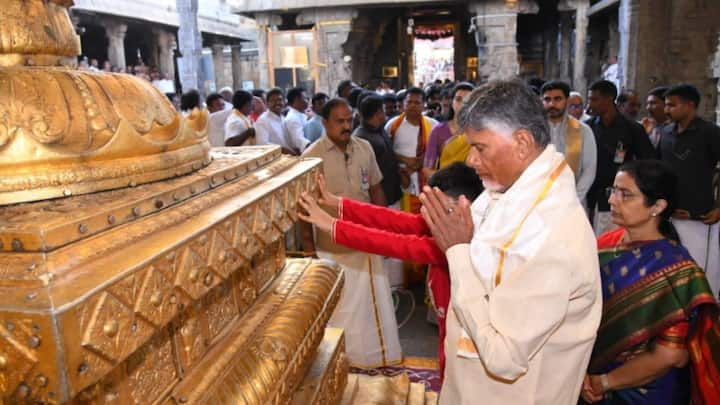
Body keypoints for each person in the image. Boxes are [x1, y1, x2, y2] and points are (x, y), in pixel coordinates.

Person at [419, 80, 602, 404]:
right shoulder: (502, 192)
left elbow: (504, 358)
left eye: (480, 147)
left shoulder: (554, 233)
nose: (471, 161)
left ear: (521, 142)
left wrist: (458, 251)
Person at [298, 163, 483, 380]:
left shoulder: (457, 244)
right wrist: (336, 203)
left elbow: (392, 243)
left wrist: (330, 224)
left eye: (438, 210)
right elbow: (391, 220)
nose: (431, 218)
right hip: (448, 341)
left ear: (464, 207)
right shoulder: (446, 223)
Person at [581, 160, 720, 405]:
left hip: (644, 393)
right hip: (588, 379)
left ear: (657, 206)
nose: (612, 200)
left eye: (626, 194)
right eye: (612, 190)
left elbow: (671, 355)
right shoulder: (603, 244)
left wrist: (604, 382)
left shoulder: (677, 270)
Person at [301, 98, 402, 369]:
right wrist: (308, 248)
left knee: (371, 308)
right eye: (339, 121)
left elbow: (376, 189)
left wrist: (385, 230)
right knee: (341, 309)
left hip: (366, 240)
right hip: (332, 246)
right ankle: (340, 362)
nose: (346, 126)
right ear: (325, 123)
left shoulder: (364, 147)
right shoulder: (311, 157)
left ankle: (372, 358)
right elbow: (303, 207)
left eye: (349, 120)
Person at [658, 84, 720, 296]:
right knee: (671, 274)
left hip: (700, 217)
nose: (666, 110)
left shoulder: (710, 132)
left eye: (672, 105)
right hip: (668, 216)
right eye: (666, 105)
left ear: (690, 105)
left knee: (701, 274)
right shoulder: (664, 133)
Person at [586, 80, 656, 236]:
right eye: (589, 99)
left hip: (620, 198)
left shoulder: (632, 129)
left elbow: (648, 162)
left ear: (609, 98)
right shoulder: (587, 127)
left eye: (594, 99)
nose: (590, 104)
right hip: (590, 198)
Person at [541, 80, 597, 205]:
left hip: (574, 201)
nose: (552, 104)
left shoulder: (583, 130)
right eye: (547, 99)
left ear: (567, 101)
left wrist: (574, 198)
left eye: (557, 99)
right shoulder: (533, 130)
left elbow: (589, 169)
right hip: (539, 202)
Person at [385, 87, 439, 212]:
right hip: (401, 183)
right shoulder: (392, 125)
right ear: (403, 104)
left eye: (417, 103)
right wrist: (404, 160)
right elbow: (386, 152)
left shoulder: (433, 125)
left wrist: (424, 160)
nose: (413, 106)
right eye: (409, 102)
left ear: (424, 105)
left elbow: (440, 150)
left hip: (427, 184)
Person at [353, 95, 402, 208]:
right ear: (379, 112)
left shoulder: (380, 129)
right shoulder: (361, 138)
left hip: (392, 194)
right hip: (379, 201)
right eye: (384, 110)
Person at [423, 82, 474, 180]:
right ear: (452, 102)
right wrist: (447, 182)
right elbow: (427, 169)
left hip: (473, 188)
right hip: (445, 188)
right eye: (458, 99)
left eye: (467, 101)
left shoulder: (479, 131)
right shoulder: (438, 131)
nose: (462, 105)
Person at [254, 88, 296, 155]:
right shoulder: (263, 120)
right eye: (273, 100)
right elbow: (262, 144)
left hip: (288, 157)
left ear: (284, 102)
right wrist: (284, 150)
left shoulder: (283, 118)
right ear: (267, 103)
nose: (277, 103)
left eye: (280, 100)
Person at [283, 87, 311, 153]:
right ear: (297, 99)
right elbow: (299, 140)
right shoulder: (292, 118)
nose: (307, 101)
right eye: (305, 98)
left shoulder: (301, 114)